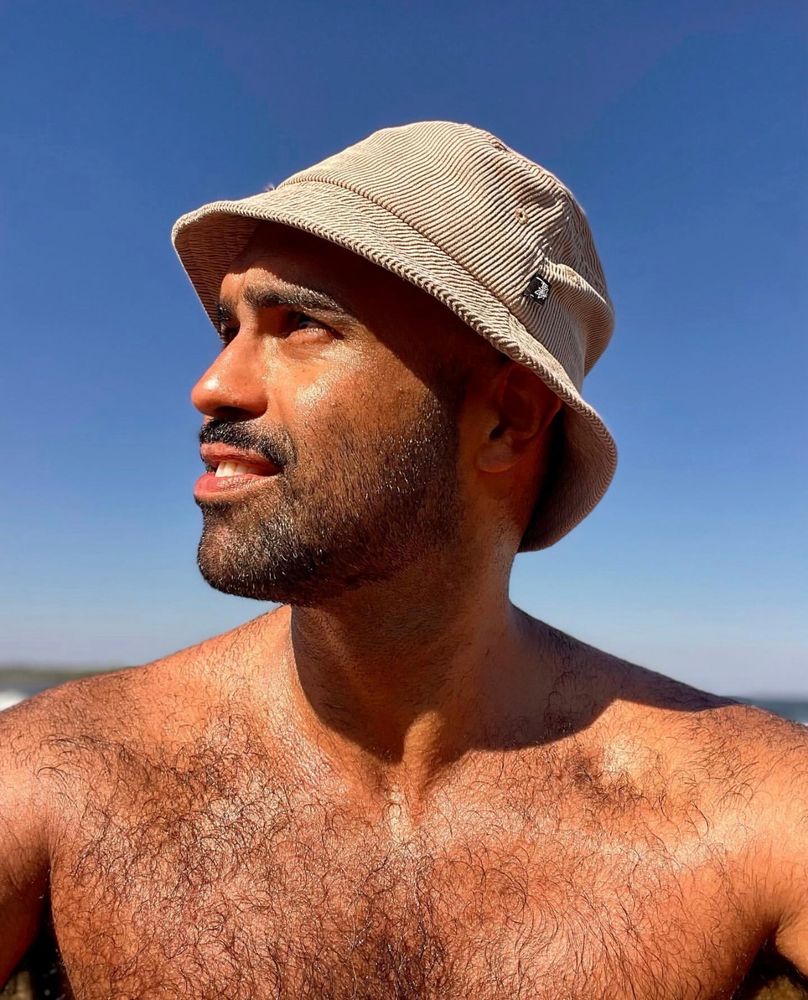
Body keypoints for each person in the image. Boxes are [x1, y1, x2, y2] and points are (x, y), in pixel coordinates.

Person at [1, 121, 806, 1000]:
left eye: (299, 323)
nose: (213, 386)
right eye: (229, 325)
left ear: (508, 420)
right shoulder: (54, 775)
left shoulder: (750, 812)